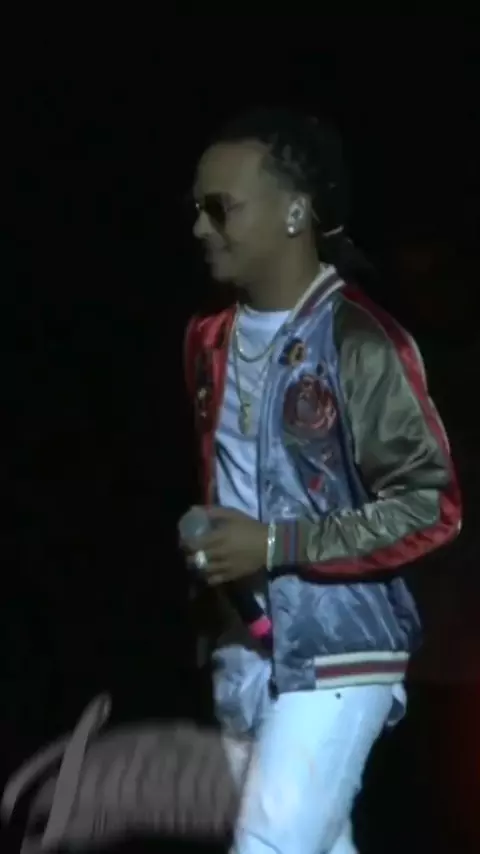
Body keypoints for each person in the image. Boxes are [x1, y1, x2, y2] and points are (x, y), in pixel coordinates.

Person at [181, 107, 462, 854]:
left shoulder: (358, 342)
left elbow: (430, 505)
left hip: (341, 647)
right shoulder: (208, 338)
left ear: (294, 212)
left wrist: (275, 543)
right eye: (197, 209)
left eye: (221, 208)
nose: (201, 227)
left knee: (269, 846)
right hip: (244, 643)